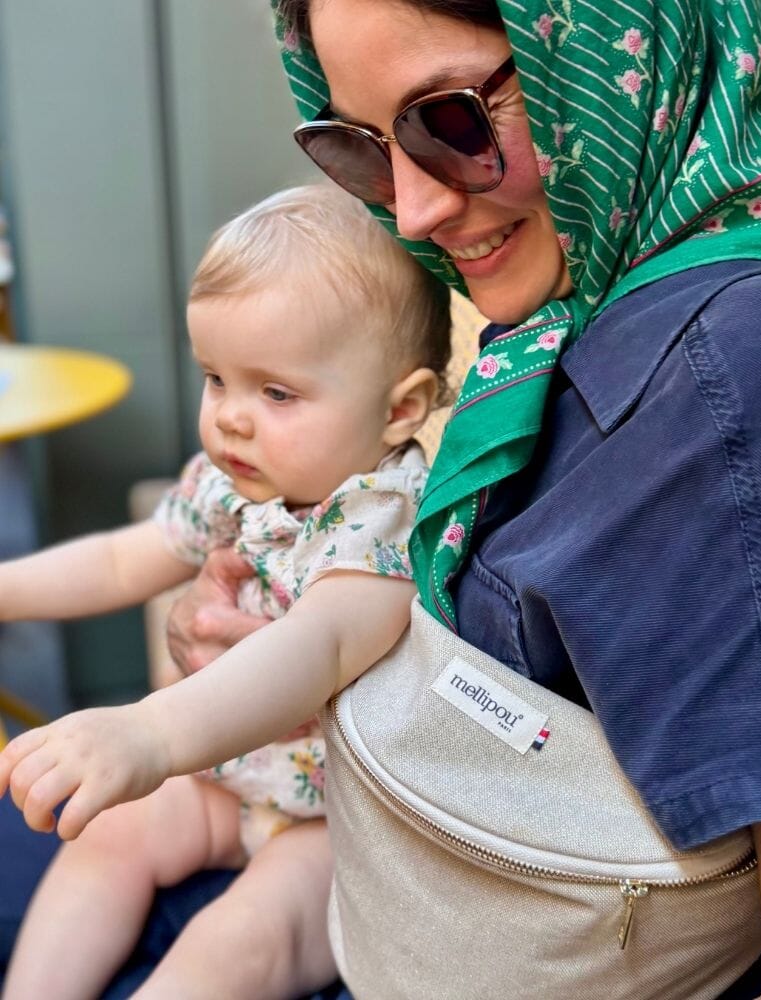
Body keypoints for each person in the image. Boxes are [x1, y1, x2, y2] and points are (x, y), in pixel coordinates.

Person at [162, 0, 761, 996]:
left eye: (450, 121)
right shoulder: (584, 298)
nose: (412, 212)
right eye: (362, 146)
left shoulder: (748, 377)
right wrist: (293, 651)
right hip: (378, 898)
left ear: (606, 44)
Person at [0, 181, 451, 1000]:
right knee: (105, 838)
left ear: (401, 409)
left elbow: (316, 647)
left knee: (235, 942)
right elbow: (120, 562)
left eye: (275, 392)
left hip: (340, 824)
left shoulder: (384, 519)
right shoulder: (238, 483)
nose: (232, 418)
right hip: (231, 779)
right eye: (216, 378)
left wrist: (147, 731)